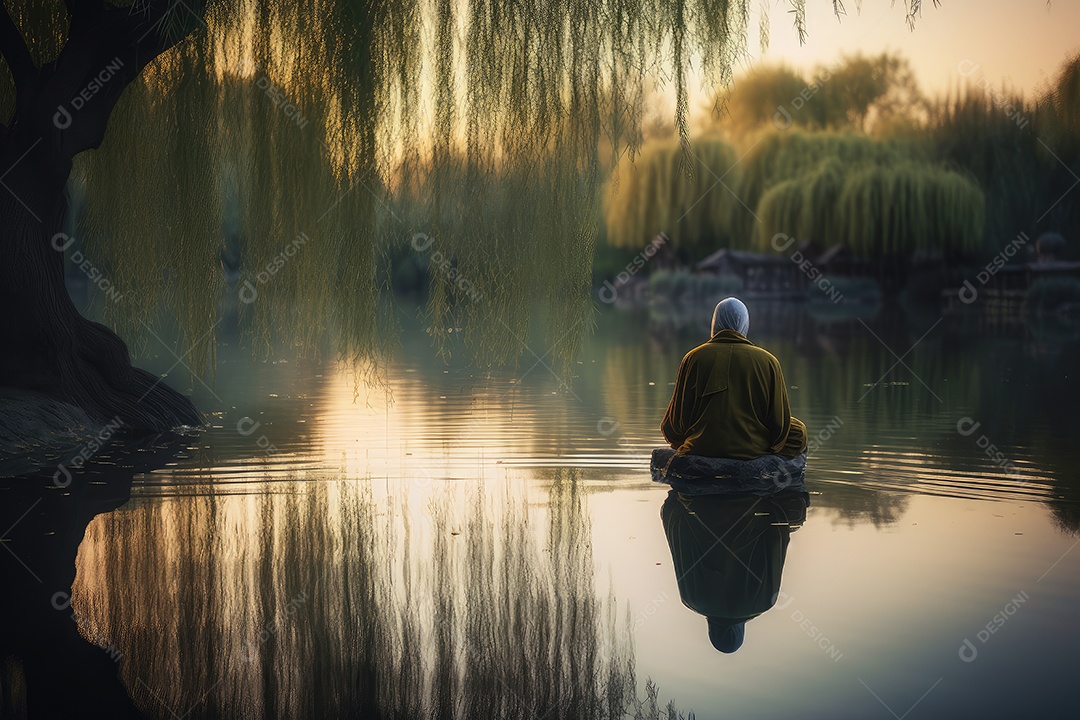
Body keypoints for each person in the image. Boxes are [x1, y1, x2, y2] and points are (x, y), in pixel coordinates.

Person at [661, 297, 806, 460]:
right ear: (745, 324)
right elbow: (779, 425)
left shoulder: (693, 357)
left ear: (715, 323)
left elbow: (673, 425)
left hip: (699, 447)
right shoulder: (768, 361)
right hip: (752, 450)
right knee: (797, 431)